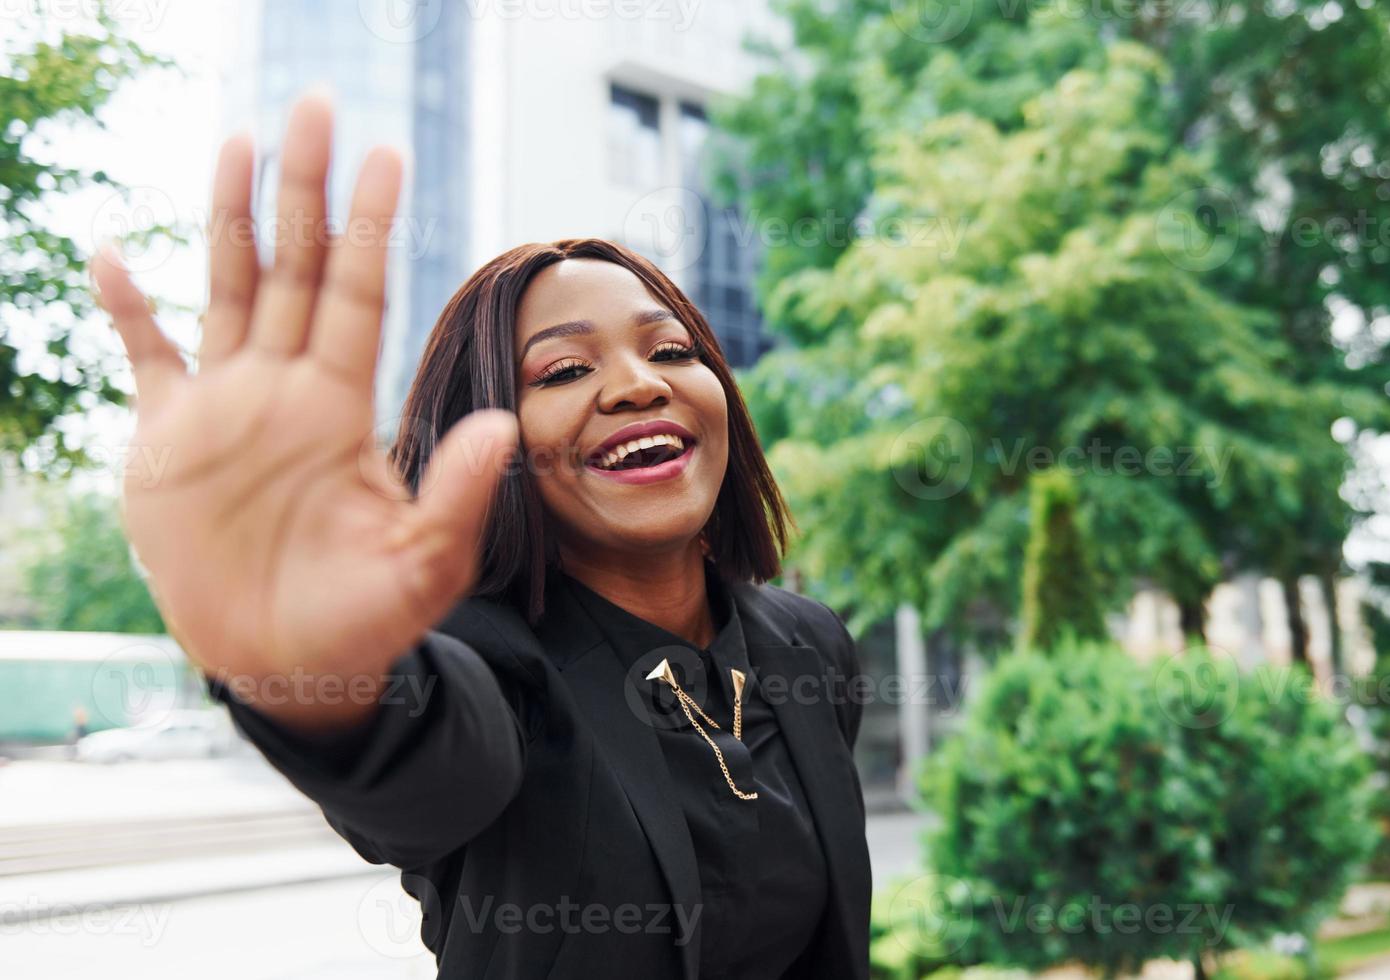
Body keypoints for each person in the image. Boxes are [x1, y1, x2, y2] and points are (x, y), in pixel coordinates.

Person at [91, 91, 870, 979]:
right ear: (484, 441)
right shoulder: (489, 664)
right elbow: (418, 772)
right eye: (565, 369)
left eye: (670, 350)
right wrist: (305, 673)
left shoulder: (809, 647)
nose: (637, 385)